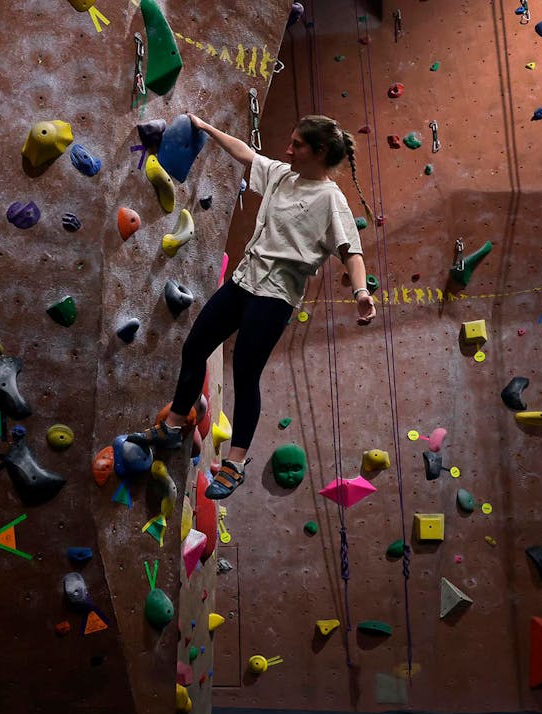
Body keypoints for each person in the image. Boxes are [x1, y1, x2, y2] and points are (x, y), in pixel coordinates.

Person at [128, 113, 376, 499]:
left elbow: (351, 252)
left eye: (297, 145)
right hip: (244, 281)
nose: (288, 149)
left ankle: (236, 462)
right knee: (195, 346)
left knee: (245, 370)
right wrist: (208, 129)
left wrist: (360, 292)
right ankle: (175, 422)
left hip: (276, 293)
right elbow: (246, 154)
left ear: (320, 151)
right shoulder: (282, 174)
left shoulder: (331, 200)